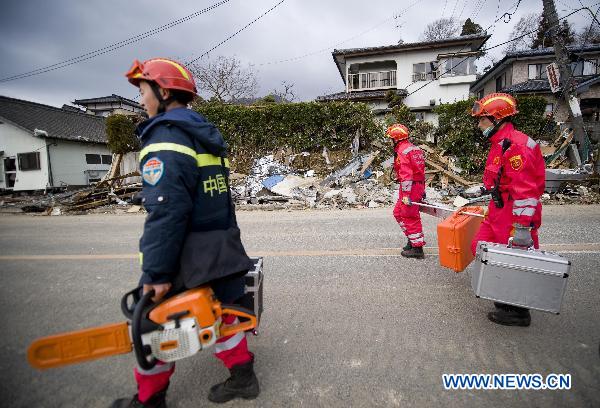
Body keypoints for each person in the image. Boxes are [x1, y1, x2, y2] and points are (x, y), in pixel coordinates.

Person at [113, 58, 259, 407]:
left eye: (144, 91)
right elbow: (215, 199)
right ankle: (243, 377)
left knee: (153, 325)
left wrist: (158, 273)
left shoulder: (165, 139)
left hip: (183, 257)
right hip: (217, 249)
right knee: (220, 313)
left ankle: (150, 400)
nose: (142, 100)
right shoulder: (204, 136)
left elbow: (167, 212)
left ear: (163, 92)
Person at [470, 92, 546, 327]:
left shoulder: (517, 147)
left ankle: (518, 311)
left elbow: (526, 192)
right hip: (498, 208)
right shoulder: (500, 144)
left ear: (498, 119)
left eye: (483, 119)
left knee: (515, 260)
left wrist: (522, 228)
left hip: (514, 213)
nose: (479, 124)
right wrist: (480, 191)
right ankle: (505, 296)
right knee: (480, 247)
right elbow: (496, 178)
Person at [388, 123, 426, 259]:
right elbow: (421, 171)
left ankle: (417, 248)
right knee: (398, 213)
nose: (390, 141)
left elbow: (406, 175)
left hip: (410, 188)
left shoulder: (402, 151)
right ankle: (412, 238)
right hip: (415, 186)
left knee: (410, 216)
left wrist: (406, 195)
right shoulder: (414, 149)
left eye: (391, 138)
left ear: (395, 139)